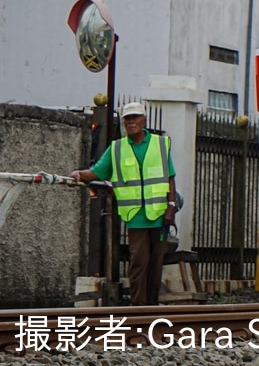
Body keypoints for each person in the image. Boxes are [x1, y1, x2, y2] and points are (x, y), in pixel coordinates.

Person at [69, 102, 178, 306]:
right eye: (127, 118)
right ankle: (139, 307)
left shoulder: (160, 144)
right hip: (135, 216)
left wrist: (171, 207)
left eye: (135, 117)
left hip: (160, 214)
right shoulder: (117, 148)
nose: (131, 122)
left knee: (156, 264)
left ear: (144, 120)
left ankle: (151, 306)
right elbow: (97, 172)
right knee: (139, 262)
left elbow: (170, 177)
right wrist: (79, 174)